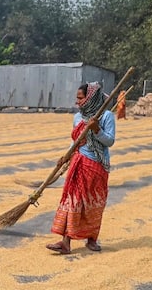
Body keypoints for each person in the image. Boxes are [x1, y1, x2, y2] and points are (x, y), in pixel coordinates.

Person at [46, 82, 115, 255]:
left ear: (90, 97)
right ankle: (65, 242)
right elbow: (75, 141)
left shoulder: (106, 116)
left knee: (93, 203)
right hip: (79, 162)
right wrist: (66, 156)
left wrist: (97, 129)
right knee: (73, 200)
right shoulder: (78, 117)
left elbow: (110, 141)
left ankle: (91, 239)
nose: (77, 102)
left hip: (97, 166)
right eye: (77, 98)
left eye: (80, 98)